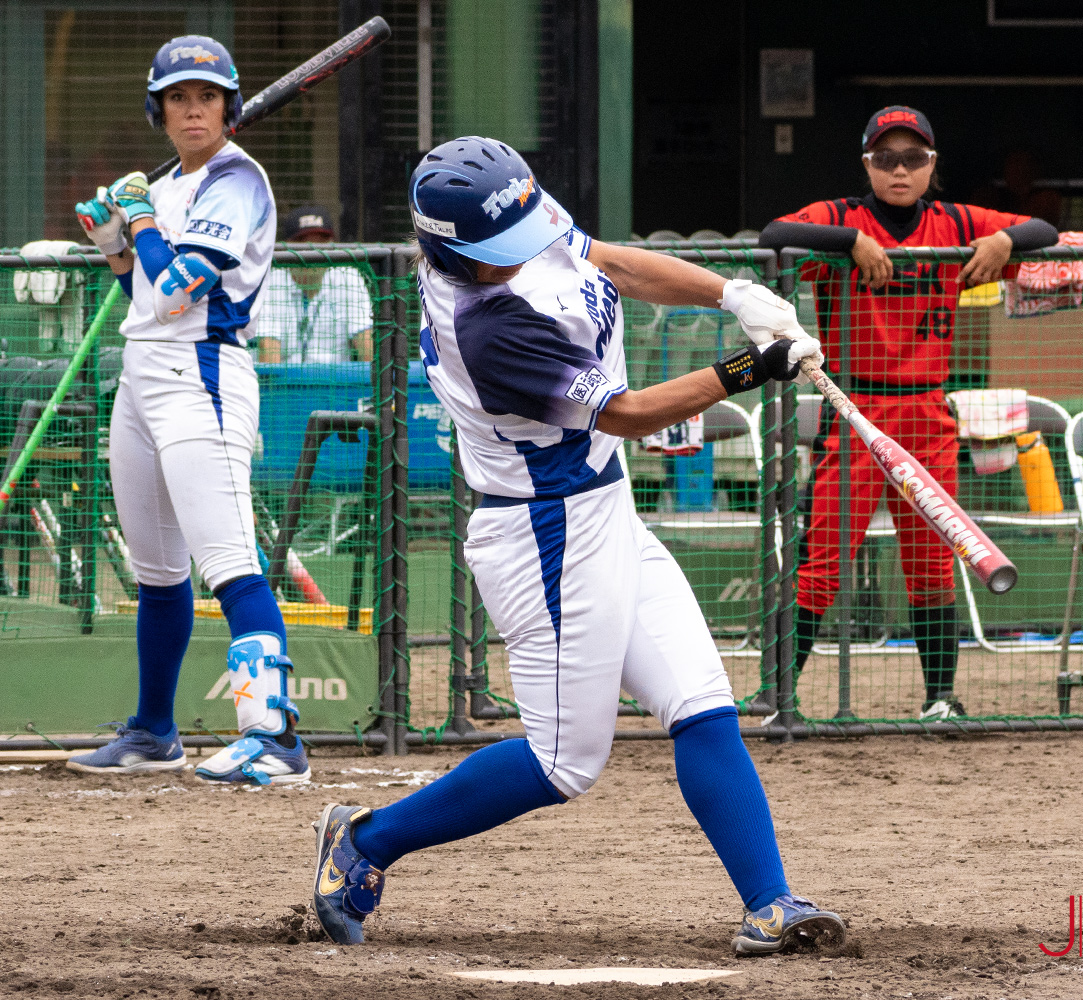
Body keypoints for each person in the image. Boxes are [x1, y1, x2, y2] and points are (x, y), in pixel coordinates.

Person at [310, 136, 843, 957]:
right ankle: (366, 843)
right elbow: (626, 413)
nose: (526, 254)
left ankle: (771, 903)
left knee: (701, 703)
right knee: (565, 761)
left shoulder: (513, 218)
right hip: (543, 533)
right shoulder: (486, 328)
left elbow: (608, 263)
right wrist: (749, 368)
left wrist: (732, 292)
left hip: (605, 506)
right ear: (447, 247)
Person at [758, 105, 1058, 720]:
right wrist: (850, 242)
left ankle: (941, 698)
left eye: (914, 158)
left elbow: (1043, 231)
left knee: (930, 561)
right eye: (886, 158)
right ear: (867, 163)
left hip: (927, 411)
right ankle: (782, 700)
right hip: (855, 408)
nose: (901, 169)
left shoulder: (955, 220)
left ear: (932, 165)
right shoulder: (842, 217)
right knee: (824, 563)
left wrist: (1002, 240)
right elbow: (773, 236)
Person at [66, 35, 309, 783]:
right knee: (157, 571)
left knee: (229, 561)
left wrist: (136, 223)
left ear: (229, 107)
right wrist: (115, 243)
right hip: (142, 377)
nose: (193, 109)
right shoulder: (172, 186)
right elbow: (142, 296)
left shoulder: (236, 180)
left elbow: (181, 289)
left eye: (207, 97)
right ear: (160, 111)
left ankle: (274, 738)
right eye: (179, 98)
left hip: (202, 374)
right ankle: (153, 731)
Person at [255, 205, 374, 364]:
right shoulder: (270, 281)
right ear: (285, 246)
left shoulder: (348, 278)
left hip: (334, 384)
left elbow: (366, 345)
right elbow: (268, 351)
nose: (313, 252)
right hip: (283, 383)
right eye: (303, 242)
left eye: (321, 243)